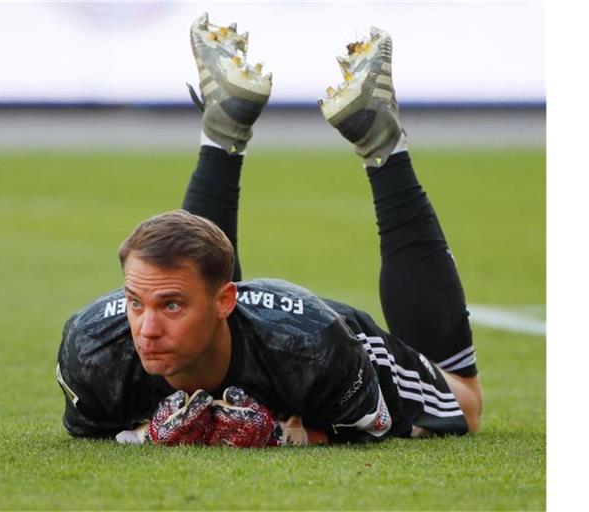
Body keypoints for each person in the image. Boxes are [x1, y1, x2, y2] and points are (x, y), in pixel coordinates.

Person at [56, 13, 483, 447]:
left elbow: (366, 426)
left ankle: (383, 148)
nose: (145, 330)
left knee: (465, 403)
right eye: (134, 302)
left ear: (227, 299)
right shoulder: (89, 349)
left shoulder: (314, 346)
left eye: (168, 307)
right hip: (242, 334)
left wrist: (282, 436)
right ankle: (221, 133)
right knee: (192, 272)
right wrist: (148, 433)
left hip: (316, 342)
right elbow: (96, 431)